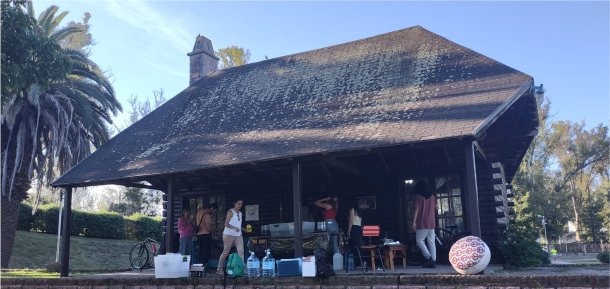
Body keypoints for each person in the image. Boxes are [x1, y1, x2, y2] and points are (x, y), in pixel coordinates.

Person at [412, 180, 438, 268]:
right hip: (431, 222)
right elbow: (437, 208)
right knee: (431, 241)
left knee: (419, 240)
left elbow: (416, 210)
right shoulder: (433, 197)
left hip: (422, 221)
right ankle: (433, 261)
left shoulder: (418, 197)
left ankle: (429, 257)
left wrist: (414, 222)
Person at [217, 199, 246, 275]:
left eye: (241, 204)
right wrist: (234, 228)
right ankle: (219, 268)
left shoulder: (240, 213)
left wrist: (244, 229)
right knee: (226, 252)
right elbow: (226, 224)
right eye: (238, 203)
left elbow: (238, 225)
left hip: (238, 234)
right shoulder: (230, 212)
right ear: (234, 204)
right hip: (228, 234)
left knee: (241, 251)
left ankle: (241, 268)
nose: (240, 205)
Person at [195, 203, 219, 269]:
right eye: (214, 211)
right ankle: (203, 268)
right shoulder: (208, 215)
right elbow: (208, 228)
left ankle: (198, 268)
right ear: (212, 208)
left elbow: (200, 225)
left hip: (199, 235)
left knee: (200, 252)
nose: (214, 213)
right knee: (206, 253)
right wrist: (216, 232)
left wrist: (213, 229)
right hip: (206, 235)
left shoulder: (199, 212)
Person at [347, 198, 363, 267]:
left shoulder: (352, 210)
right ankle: (360, 261)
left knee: (354, 245)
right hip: (359, 228)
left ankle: (361, 261)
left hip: (354, 228)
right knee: (357, 245)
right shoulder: (359, 211)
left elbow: (351, 221)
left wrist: (348, 231)